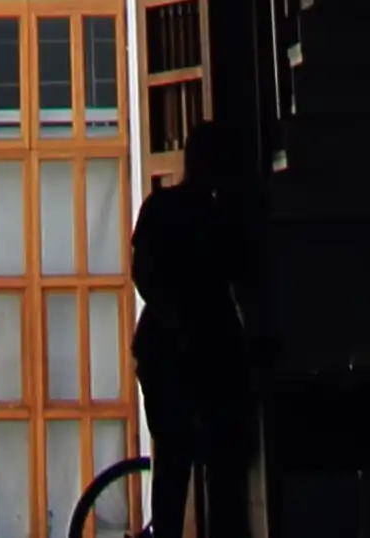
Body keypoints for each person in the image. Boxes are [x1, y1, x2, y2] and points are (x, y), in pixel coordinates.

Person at [130, 115, 259, 538]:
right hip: (201, 346)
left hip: (172, 346)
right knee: (217, 463)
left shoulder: (163, 208)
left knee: (174, 464)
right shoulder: (220, 217)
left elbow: (144, 273)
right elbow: (242, 278)